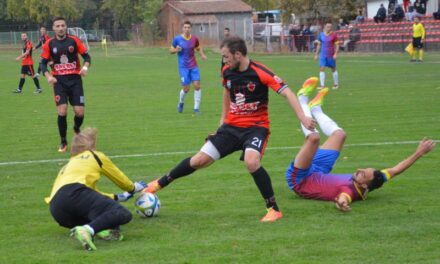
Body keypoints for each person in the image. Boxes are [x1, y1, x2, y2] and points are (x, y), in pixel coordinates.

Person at [144, 36, 316, 223]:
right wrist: (221, 123)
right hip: (231, 127)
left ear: (238, 55)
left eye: (226, 56)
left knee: (251, 162)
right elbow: (227, 93)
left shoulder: (260, 72)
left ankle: (273, 209)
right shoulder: (227, 70)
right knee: (199, 160)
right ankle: (159, 183)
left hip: (256, 128)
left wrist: (303, 118)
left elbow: (288, 93)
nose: (224, 60)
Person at [285, 78, 436, 212]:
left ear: (364, 186)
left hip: (301, 180)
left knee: (313, 138)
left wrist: (342, 204)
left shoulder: (350, 191)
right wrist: (419, 153)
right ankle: (315, 108)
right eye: (364, 169)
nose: (359, 170)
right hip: (319, 171)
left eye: (362, 174)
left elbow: (345, 198)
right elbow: (396, 170)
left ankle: (302, 98)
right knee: (340, 135)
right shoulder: (375, 179)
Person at [45, 128, 147, 251]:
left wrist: (117, 197)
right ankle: (87, 230)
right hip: (75, 194)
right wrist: (133, 187)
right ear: (91, 146)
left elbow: (88, 194)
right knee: (122, 213)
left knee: (112, 223)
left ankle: (98, 230)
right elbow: (119, 179)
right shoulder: (95, 155)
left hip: (57, 209)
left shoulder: (69, 164)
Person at [40, 17, 91, 153]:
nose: (61, 28)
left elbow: (87, 57)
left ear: (66, 26)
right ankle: (63, 141)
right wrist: (48, 76)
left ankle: (76, 129)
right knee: (62, 111)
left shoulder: (74, 40)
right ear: (54, 28)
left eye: (63, 25)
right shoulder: (49, 44)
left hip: (75, 80)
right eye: (58, 26)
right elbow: (42, 63)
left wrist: (85, 68)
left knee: (79, 112)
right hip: (59, 81)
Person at [171, 21, 207, 114]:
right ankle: (181, 102)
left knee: (197, 86)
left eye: (188, 27)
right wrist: (176, 50)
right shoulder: (177, 39)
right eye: (185, 27)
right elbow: (170, 50)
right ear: (183, 28)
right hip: (183, 67)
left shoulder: (194, 39)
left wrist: (202, 55)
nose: (187, 29)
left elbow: (198, 47)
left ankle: (196, 109)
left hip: (194, 66)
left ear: (191, 28)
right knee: (186, 89)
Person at [314, 23, 339, 89]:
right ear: (325, 27)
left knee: (333, 68)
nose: (329, 28)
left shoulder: (334, 35)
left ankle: (336, 84)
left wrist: (336, 54)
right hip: (323, 55)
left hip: (331, 55)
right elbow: (319, 45)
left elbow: (337, 45)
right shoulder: (321, 35)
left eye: (330, 27)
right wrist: (316, 54)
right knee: (322, 68)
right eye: (327, 27)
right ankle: (322, 85)